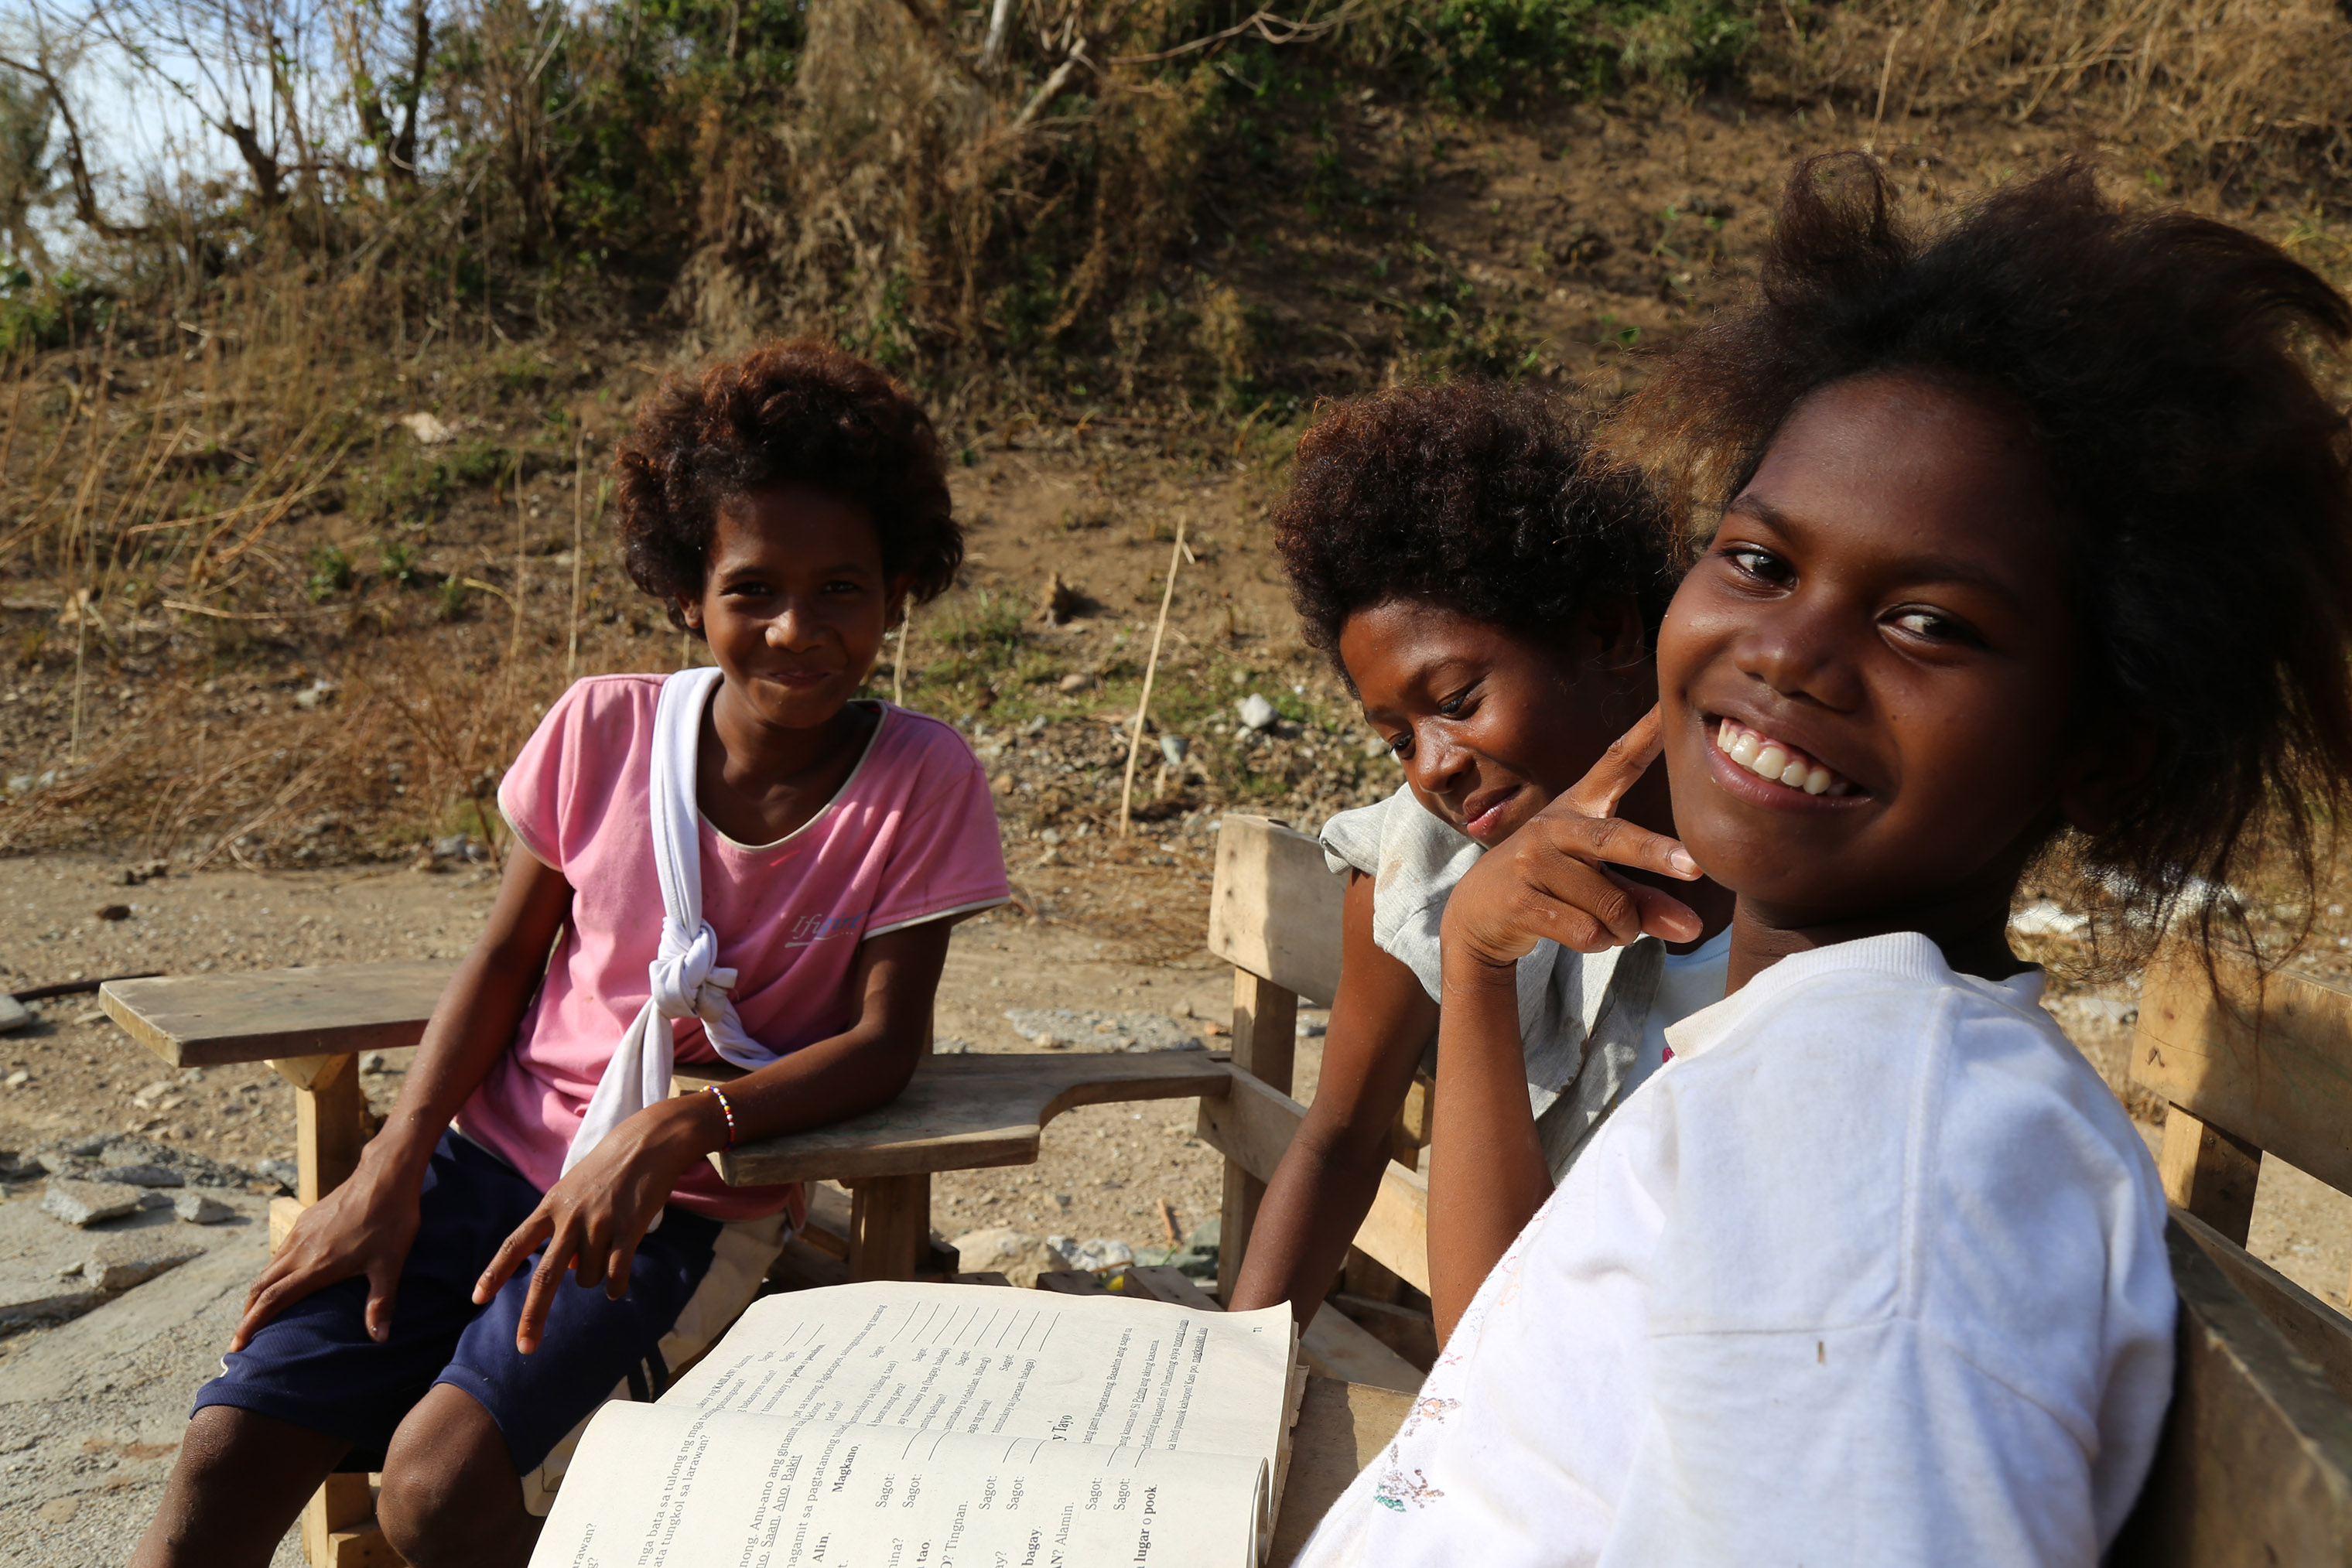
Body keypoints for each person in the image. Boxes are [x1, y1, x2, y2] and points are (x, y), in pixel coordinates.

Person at [1298, 156, 2352, 1563]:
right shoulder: (1809, 1050)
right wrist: (1479, 968)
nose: (1789, 652)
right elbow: (1509, 1369)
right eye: (1759, 561)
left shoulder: (1888, 1148)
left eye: (1930, 623)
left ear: (2103, 754)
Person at [132, 341, 1012, 1568]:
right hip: (482, 1159)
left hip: (683, 1210)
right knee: (230, 1443)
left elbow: (883, 1042)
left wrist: (669, 1134)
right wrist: (387, 1165)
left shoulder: (922, 780)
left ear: (900, 589)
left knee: (430, 1492)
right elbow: (502, 964)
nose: (797, 628)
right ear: (686, 594)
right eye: (752, 587)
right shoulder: (604, 727)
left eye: (843, 589)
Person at [1229, 381, 1733, 1325]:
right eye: (1396, 739)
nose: (1433, 768)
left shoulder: (1779, 861)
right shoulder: (1424, 865)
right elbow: (1340, 1139)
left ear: (1606, 631)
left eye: (1456, 700)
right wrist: (1226, 1383)